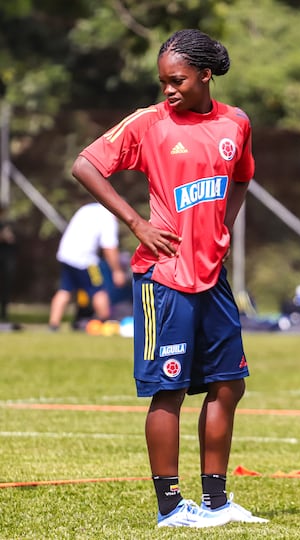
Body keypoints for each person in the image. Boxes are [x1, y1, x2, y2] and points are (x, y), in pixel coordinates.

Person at [72, 29, 268, 528]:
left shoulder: (236, 123)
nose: (168, 90)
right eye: (163, 81)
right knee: (171, 389)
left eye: (177, 80)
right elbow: (86, 165)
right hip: (164, 278)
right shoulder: (149, 123)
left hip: (213, 276)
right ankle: (170, 507)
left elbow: (242, 176)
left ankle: (217, 503)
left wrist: (224, 225)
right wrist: (137, 224)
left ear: (206, 75)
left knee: (228, 385)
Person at [49, 201, 126, 330]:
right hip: (85, 259)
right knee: (98, 290)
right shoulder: (108, 217)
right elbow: (109, 247)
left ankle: (53, 325)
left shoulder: (87, 208)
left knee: (65, 290)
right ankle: (105, 323)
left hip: (66, 255)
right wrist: (117, 271)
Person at [0, 204, 17, 322]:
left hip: (5, 262)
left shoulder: (5, 225)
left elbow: (10, 239)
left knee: (5, 289)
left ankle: (4, 313)